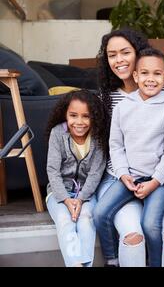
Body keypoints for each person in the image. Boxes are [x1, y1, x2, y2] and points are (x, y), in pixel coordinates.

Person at [94, 28, 164, 267]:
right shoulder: (116, 102)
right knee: (101, 213)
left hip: (160, 178)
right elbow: (115, 145)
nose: (119, 59)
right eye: (112, 55)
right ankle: (113, 260)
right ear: (136, 75)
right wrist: (124, 174)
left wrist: (155, 181)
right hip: (125, 175)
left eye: (125, 52)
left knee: (150, 223)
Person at [46, 90, 108, 267]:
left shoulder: (98, 137)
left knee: (87, 219)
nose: (79, 122)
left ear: (94, 118)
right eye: (73, 115)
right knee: (65, 221)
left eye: (86, 116)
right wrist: (66, 200)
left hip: (86, 193)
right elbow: (53, 170)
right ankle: (75, 264)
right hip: (59, 193)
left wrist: (80, 199)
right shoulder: (58, 133)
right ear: (65, 114)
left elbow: (96, 173)